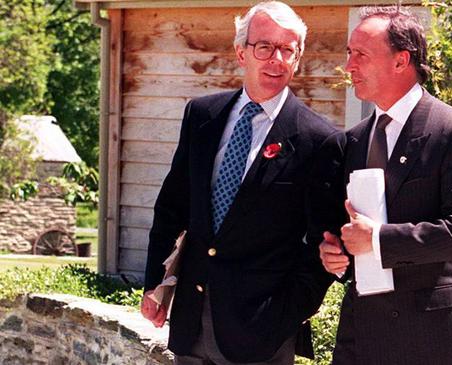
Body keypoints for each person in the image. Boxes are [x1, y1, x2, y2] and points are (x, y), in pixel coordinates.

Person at [140, 2, 346, 364]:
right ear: (241, 52)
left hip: (261, 335)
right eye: (265, 47)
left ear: (298, 58)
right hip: (191, 322)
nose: (276, 59)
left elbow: (323, 243)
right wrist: (155, 283)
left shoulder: (319, 140)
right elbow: (173, 206)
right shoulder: (202, 116)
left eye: (288, 49)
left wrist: (286, 313)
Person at [319, 6, 452, 365]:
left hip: (436, 337)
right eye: (349, 54)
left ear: (401, 61)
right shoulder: (352, 141)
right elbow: (350, 227)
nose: (349, 66)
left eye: (361, 55)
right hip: (364, 333)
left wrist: (376, 239)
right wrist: (335, 254)